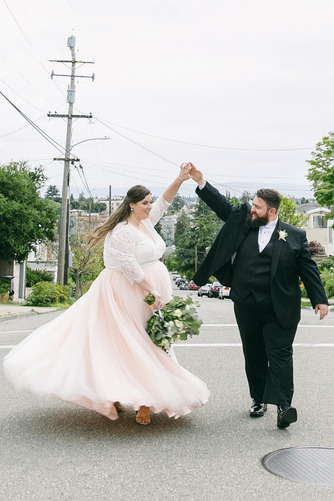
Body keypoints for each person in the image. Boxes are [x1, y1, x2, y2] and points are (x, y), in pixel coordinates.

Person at [4, 164, 209, 426]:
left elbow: (165, 201)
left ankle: (142, 397)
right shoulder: (122, 232)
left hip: (149, 288)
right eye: (145, 203)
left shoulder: (146, 222)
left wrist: (180, 179)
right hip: (126, 291)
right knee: (128, 344)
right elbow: (130, 269)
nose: (150, 206)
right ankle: (139, 401)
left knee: (153, 342)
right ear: (133, 205)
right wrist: (152, 290)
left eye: (149, 202)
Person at [188, 162, 328, 429]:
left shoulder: (295, 235)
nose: (253, 209)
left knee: (280, 355)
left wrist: (319, 298)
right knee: (253, 353)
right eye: (253, 205)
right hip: (246, 302)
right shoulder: (244, 222)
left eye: (258, 207)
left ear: (272, 211)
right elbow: (222, 207)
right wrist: (201, 181)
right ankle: (258, 398)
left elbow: (308, 268)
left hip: (279, 307)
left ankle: (284, 407)